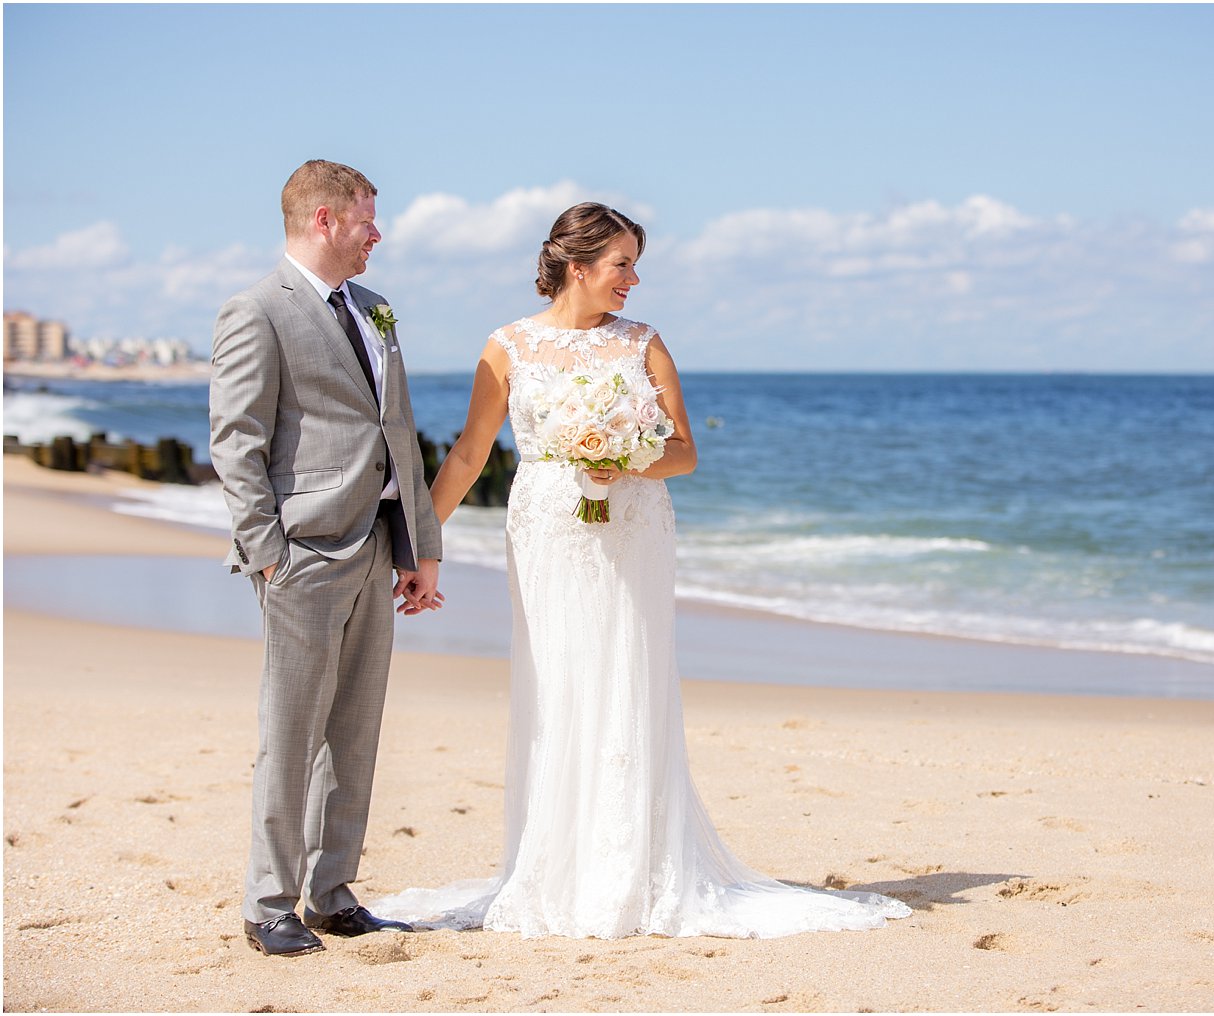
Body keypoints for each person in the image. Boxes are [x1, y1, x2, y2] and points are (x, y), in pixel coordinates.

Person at [374, 202, 909, 938]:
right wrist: (420, 547)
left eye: (634, 263)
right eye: (622, 263)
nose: (634, 279)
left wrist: (625, 455)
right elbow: (469, 455)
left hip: (633, 528)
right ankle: (558, 868)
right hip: (548, 533)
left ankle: (635, 871)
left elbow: (685, 451)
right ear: (577, 266)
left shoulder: (644, 343)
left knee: (629, 680)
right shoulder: (507, 347)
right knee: (557, 686)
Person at [209, 159, 444, 957]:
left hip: (377, 546)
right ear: (323, 221)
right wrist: (268, 553)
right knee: (292, 730)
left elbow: (399, 432)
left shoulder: (374, 310)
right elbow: (236, 442)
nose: (377, 234)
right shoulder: (255, 312)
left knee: (355, 731)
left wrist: (419, 548)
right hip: (301, 553)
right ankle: (267, 903)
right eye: (367, 220)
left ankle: (332, 893)